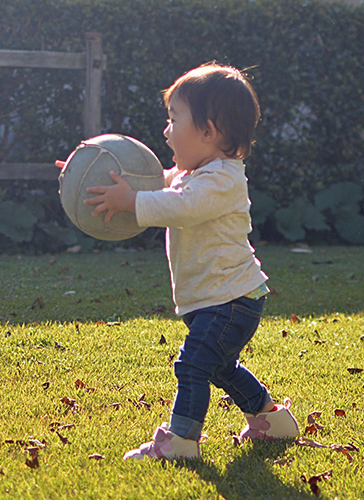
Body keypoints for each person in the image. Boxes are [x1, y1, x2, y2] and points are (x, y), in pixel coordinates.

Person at [73, 63, 300, 460]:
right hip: (212, 298)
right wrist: (89, 175)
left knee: (193, 365)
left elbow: (182, 207)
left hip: (231, 300)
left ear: (209, 131)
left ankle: (180, 441)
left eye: (174, 119)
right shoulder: (192, 172)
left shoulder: (223, 179)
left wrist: (133, 203)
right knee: (219, 367)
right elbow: (155, 182)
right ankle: (272, 420)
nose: (166, 130)